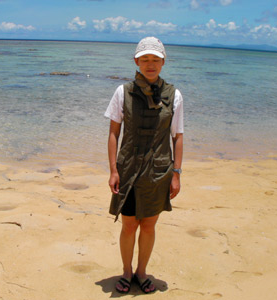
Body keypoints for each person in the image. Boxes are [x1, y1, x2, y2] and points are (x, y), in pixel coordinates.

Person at [104, 36, 184, 294]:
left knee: (148, 225)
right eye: (145, 59)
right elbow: (114, 133)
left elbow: (177, 136)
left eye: (156, 59)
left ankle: (142, 271)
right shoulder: (122, 92)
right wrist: (113, 170)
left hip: (159, 170)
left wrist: (177, 173)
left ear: (163, 62)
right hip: (128, 169)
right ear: (136, 61)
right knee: (129, 225)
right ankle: (127, 271)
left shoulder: (174, 95)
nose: (150, 64)